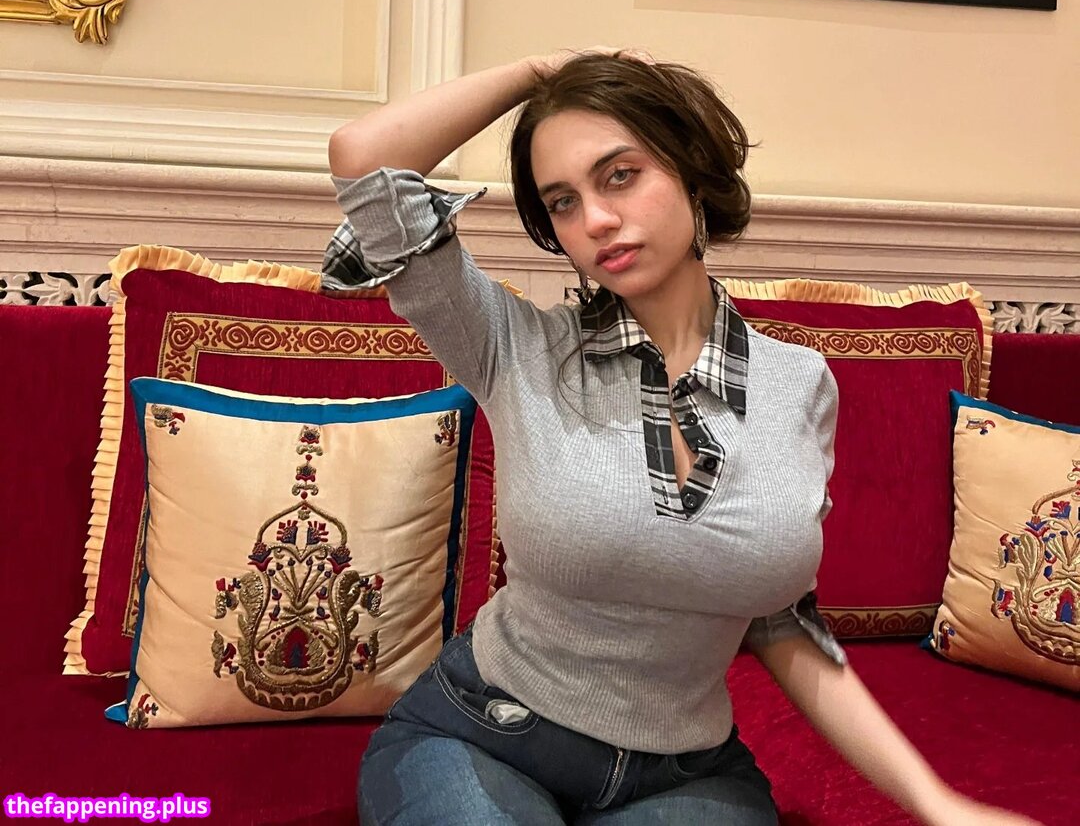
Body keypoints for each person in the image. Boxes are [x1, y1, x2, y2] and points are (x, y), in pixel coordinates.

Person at [324, 49, 1042, 826]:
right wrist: (544, 71)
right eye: (563, 201)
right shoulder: (513, 346)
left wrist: (937, 802)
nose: (596, 220)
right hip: (484, 734)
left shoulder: (800, 384)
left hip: (686, 776)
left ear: (691, 168)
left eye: (620, 175)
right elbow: (364, 158)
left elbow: (780, 620)